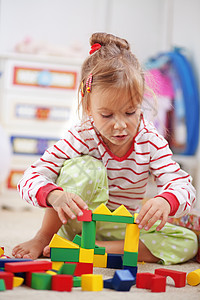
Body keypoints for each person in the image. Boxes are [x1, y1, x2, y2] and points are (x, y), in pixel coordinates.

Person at [12, 33, 198, 265]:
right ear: (88, 107)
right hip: (78, 220)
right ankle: (44, 237)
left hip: (124, 228)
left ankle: (96, 249)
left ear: (141, 101)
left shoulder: (150, 140)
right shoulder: (81, 135)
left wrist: (165, 201)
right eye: (107, 115)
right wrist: (54, 195)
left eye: (130, 112)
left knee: (188, 242)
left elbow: (183, 186)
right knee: (84, 167)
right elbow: (29, 177)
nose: (120, 125)